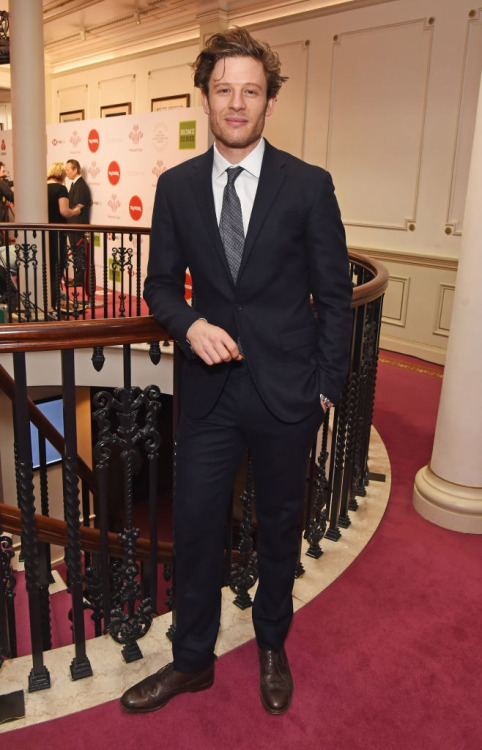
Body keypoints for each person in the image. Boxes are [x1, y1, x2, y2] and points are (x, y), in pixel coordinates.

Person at [121, 27, 353, 716]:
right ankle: (192, 661)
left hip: (288, 392)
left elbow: (335, 297)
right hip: (210, 394)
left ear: (269, 101)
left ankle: (271, 644)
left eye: (251, 90)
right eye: (224, 89)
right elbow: (161, 285)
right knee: (194, 526)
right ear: (206, 96)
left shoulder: (309, 187)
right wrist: (189, 323)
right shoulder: (177, 187)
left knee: (280, 525)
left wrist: (324, 389)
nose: (236, 102)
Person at [47, 162, 82, 310]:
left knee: (46, 267)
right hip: (57, 233)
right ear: (62, 175)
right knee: (57, 266)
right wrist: (75, 211)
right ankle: (54, 303)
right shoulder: (61, 189)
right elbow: (64, 212)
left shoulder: (42, 187)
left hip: (44, 234)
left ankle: (48, 300)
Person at [65, 159, 91, 287]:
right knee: (76, 252)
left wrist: (69, 211)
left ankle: (79, 279)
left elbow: (79, 205)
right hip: (73, 225)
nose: (66, 173)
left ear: (75, 170)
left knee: (78, 252)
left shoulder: (80, 185)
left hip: (77, 225)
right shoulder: (75, 184)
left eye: (68, 170)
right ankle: (77, 277)